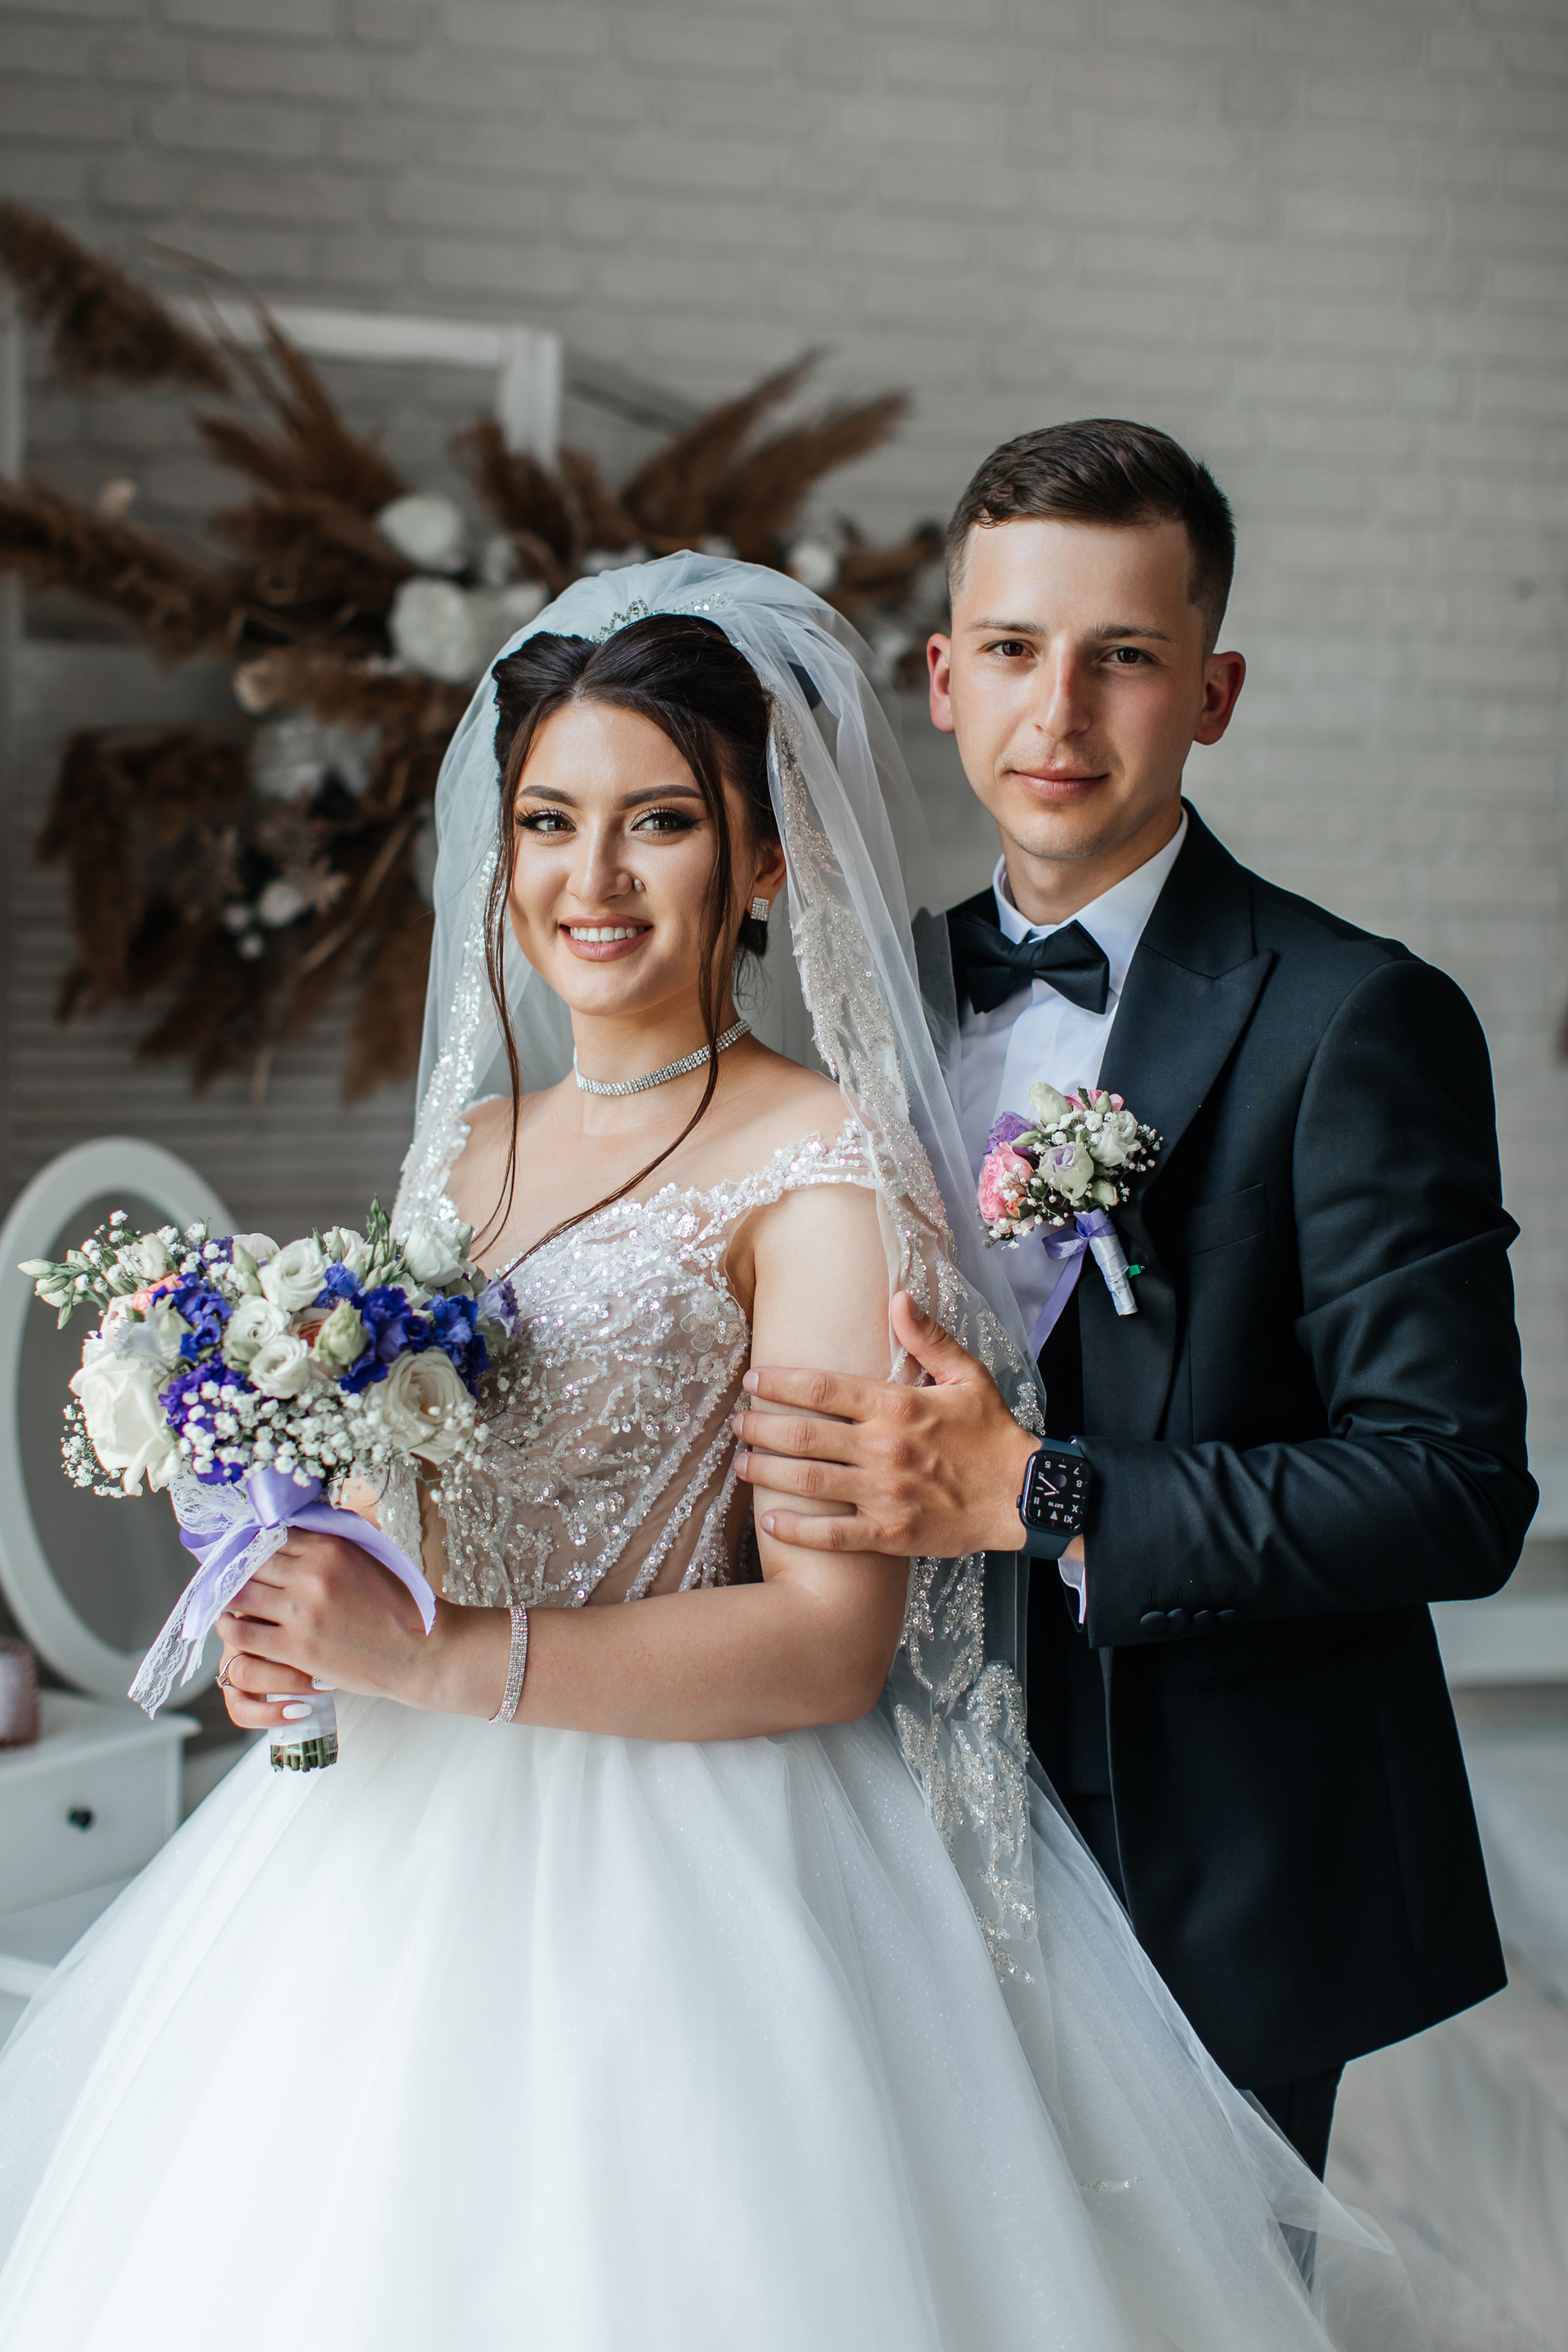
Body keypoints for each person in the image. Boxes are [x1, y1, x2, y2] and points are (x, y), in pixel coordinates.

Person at [0, 555, 1423, 2351]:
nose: (591, 880)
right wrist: (302, 1622)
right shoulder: (465, 1155)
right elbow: (391, 1517)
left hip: (691, 1873)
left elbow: (830, 1643)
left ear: (762, 859)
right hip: (379, 1849)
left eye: (659, 822)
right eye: (549, 823)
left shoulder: (820, 1168)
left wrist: (437, 1653)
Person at [733, 422, 1537, 2181]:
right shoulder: (866, 1005)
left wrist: (1045, 1493)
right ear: (943, 679)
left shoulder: (1356, 1018)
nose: (1060, 712)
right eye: (1014, 649)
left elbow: (1454, 1488)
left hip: (1217, 1852)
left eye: (1125, 656)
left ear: (1214, 692)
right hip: (884, 1810)